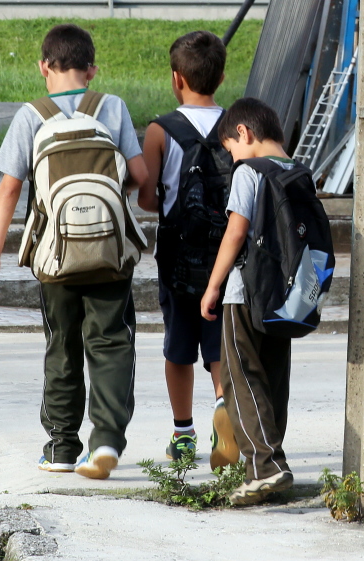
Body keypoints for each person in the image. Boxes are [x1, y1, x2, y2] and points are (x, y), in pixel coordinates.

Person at [0, 23, 148, 481]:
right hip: (111, 253)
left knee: (62, 344)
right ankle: (107, 440)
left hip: (53, 256)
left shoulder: (31, 115)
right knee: (112, 342)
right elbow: (140, 174)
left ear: (44, 67)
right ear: (91, 70)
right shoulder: (111, 107)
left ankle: (60, 446)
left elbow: (9, 190)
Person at [137, 30, 238, 468]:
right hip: (227, 257)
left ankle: (182, 434)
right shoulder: (237, 126)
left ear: (177, 78)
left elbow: (146, 197)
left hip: (177, 257)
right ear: (221, 75)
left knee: (178, 347)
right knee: (219, 343)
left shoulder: (161, 129)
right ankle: (224, 409)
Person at [199, 97, 296, 506]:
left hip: (245, 293)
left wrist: (213, 286)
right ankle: (269, 465)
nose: (231, 157)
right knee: (273, 380)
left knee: (241, 379)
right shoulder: (299, 171)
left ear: (244, 133)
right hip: (285, 295)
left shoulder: (250, 172)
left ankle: (266, 466)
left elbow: (236, 231)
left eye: (230, 148)